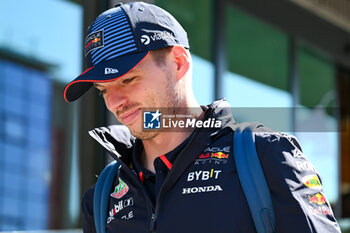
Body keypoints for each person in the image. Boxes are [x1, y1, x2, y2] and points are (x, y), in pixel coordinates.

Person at [64, 2, 341, 233]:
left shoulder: (265, 155)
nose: (114, 103)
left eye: (127, 80)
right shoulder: (102, 197)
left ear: (179, 63)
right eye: (102, 91)